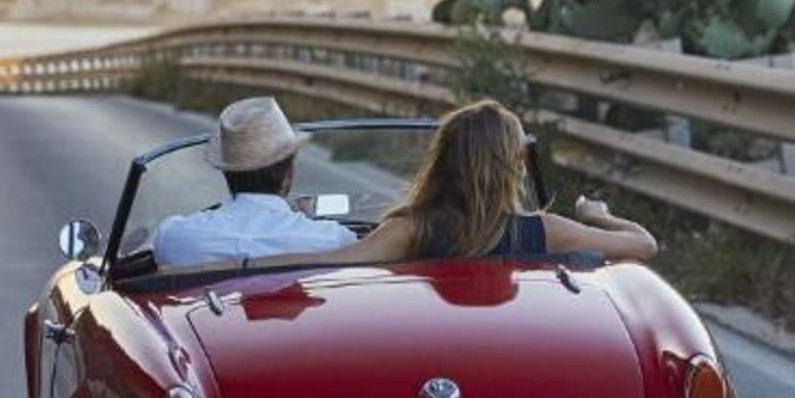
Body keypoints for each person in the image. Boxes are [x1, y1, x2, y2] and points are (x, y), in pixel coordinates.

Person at [316, 99, 656, 264]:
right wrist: (598, 216)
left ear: (442, 162)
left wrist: (260, 264)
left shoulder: (411, 229)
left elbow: (329, 263)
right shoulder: (545, 230)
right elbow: (643, 245)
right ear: (514, 166)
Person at [153, 96, 357, 267]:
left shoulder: (173, 238)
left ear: (226, 172)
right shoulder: (333, 240)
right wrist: (308, 222)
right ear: (289, 173)